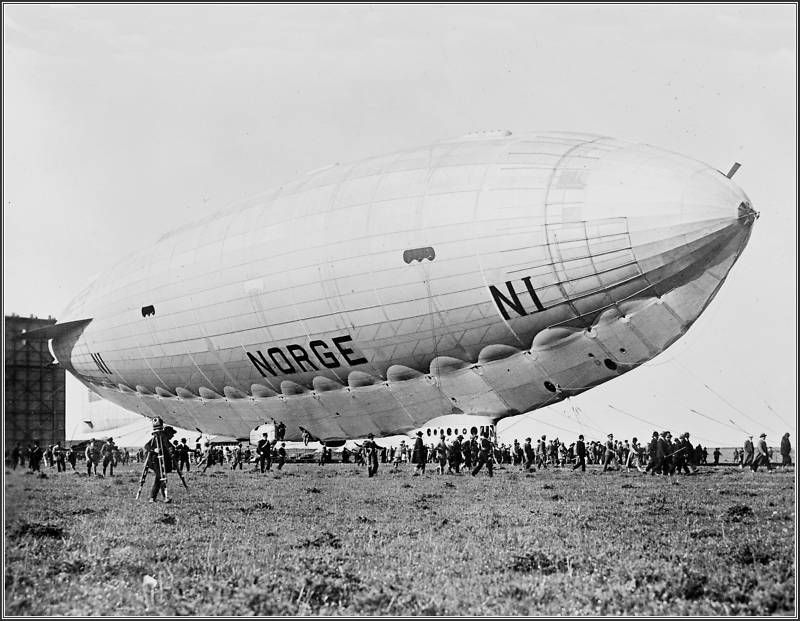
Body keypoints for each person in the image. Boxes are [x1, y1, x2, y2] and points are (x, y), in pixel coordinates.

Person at [143, 418, 177, 502]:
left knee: (159, 479)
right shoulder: (159, 438)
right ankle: (163, 497)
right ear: (168, 433)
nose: (172, 436)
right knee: (161, 478)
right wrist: (154, 450)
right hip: (156, 462)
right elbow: (147, 446)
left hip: (161, 462)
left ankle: (153, 498)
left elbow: (170, 447)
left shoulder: (163, 439)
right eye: (171, 434)